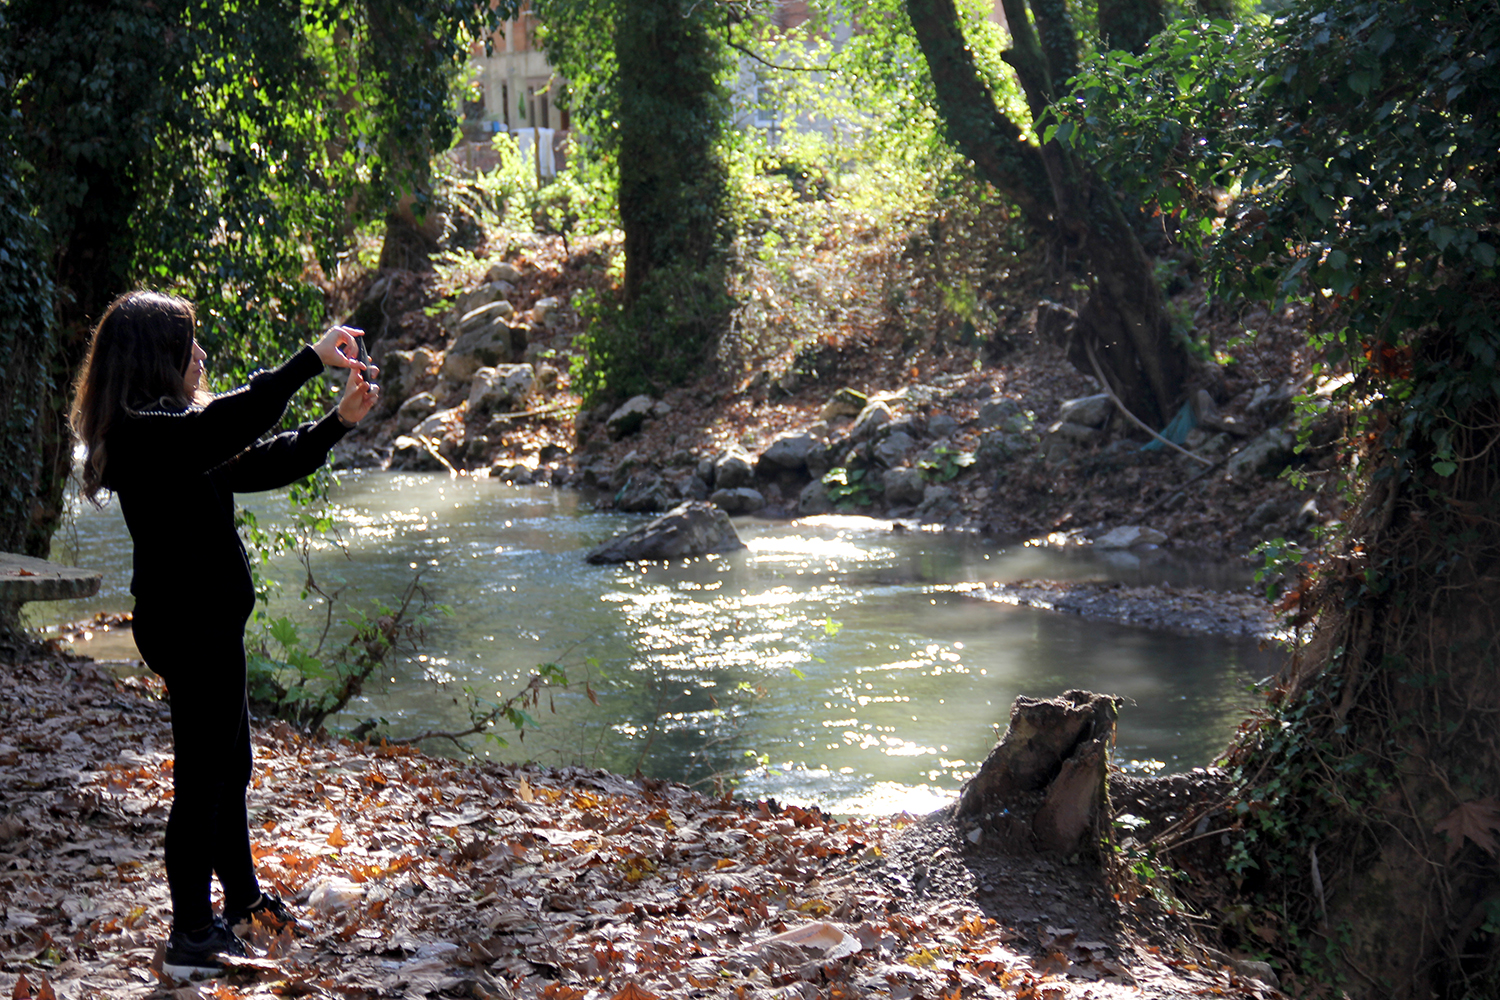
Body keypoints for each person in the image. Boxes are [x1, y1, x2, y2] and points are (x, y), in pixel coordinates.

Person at [69, 290, 379, 979]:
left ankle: (238, 901)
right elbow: (233, 423)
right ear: (158, 359)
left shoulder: (177, 429)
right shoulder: (145, 437)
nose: (202, 356)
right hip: (188, 625)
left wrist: (336, 424)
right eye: (191, 345)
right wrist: (308, 361)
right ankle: (191, 932)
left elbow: (260, 459)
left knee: (228, 769)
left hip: (207, 621)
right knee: (203, 781)